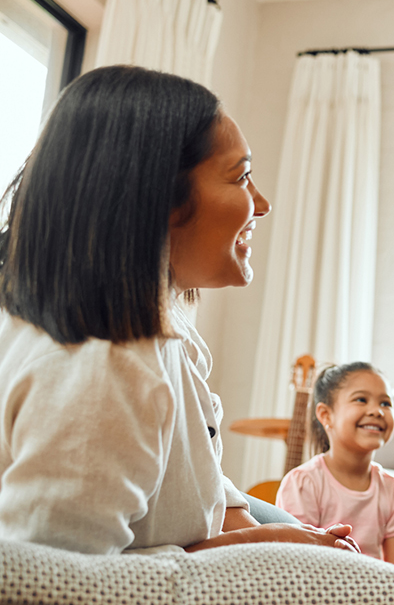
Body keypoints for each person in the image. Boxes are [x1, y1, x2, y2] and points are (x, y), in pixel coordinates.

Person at [0, 65, 359, 555]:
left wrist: (257, 532)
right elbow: (53, 580)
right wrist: (267, 557)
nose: (263, 203)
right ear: (159, 197)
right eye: (242, 177)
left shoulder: (153, 323)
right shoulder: (104, 368)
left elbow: (195, 472)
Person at [276, 362, 394, 566]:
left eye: (385, 403)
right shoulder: (303, 483)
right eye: (361, 400)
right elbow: (296, 564)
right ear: (325, 415)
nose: (377, 411)